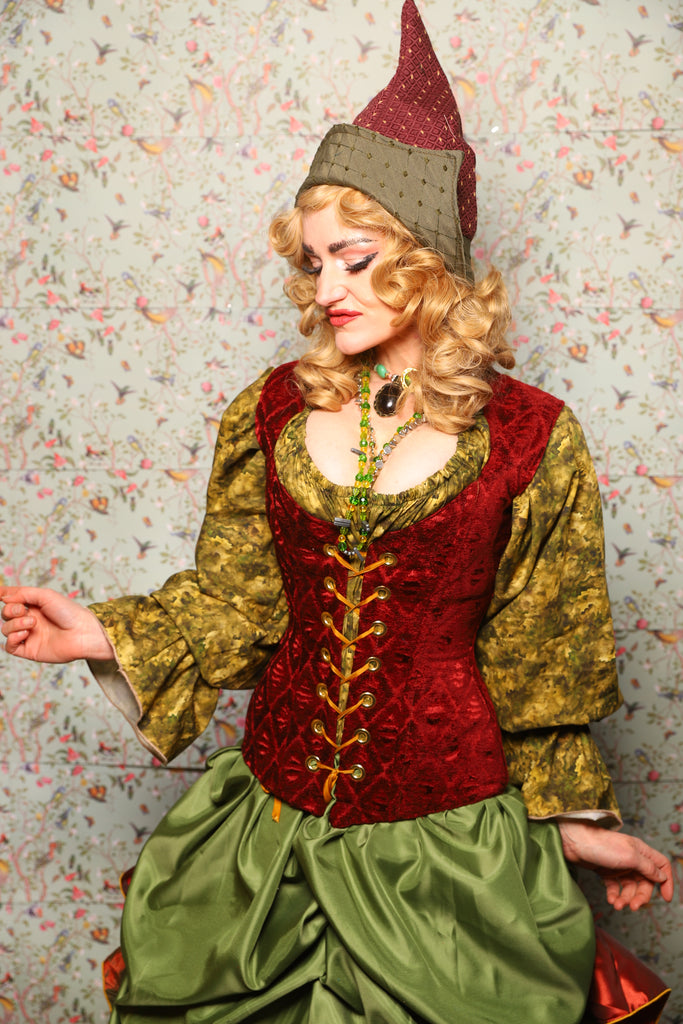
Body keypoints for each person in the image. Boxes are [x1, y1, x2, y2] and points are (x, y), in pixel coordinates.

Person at [0, 3, 674, 1022]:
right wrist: (94, 631)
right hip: (266, 835)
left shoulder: (531, 435)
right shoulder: (272, 411)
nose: (326, 289)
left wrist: (576, 825)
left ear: (423, 254)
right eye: (314, 262)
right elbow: (240, 601)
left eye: (353, 258)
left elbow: (540, 658)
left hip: (445, 851)